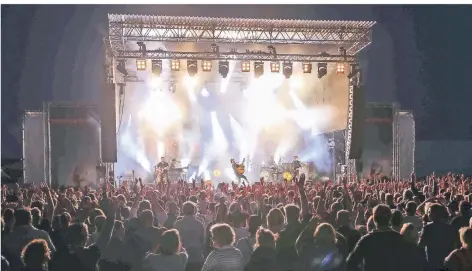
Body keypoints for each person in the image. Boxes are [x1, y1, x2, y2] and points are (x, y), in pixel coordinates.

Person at [346, 204, 416, 271]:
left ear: (374, 219)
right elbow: (411, 262)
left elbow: (350, 263)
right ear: (390, 218)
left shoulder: (366, 240)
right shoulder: (400, 239)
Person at [418, 203, 457, 271]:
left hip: (432, 261)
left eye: (429, 212)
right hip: (446, 260)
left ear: (435, 214)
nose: (428, 214)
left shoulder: (427, 227)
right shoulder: (449, 227)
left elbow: (421, 243)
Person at [174, 202, 204, 271]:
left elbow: (175, 241)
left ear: (183, 211)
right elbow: (202, 240)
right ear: (194, 211)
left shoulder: (178, 224)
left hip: (182, 257)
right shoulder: (199, 224)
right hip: (197, 257)